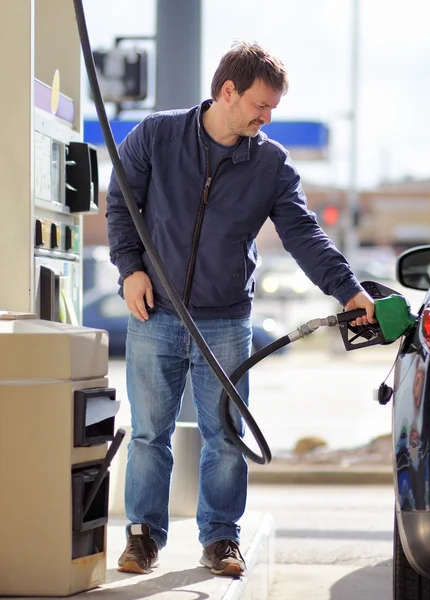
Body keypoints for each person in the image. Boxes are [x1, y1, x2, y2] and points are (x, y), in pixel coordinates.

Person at [106, 40, 376, 578]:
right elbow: (120, 203)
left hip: (226, 318)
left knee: (225, 436)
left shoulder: (270, 163)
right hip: (154, 311)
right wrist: (129, 269)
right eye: (260, 104)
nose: (267, 116)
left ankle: (221, 538)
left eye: (272, 107)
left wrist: (348, 289)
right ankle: (142, 537)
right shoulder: (158, 136)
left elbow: (303, 234)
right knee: (148, 434)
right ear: (228, 91)